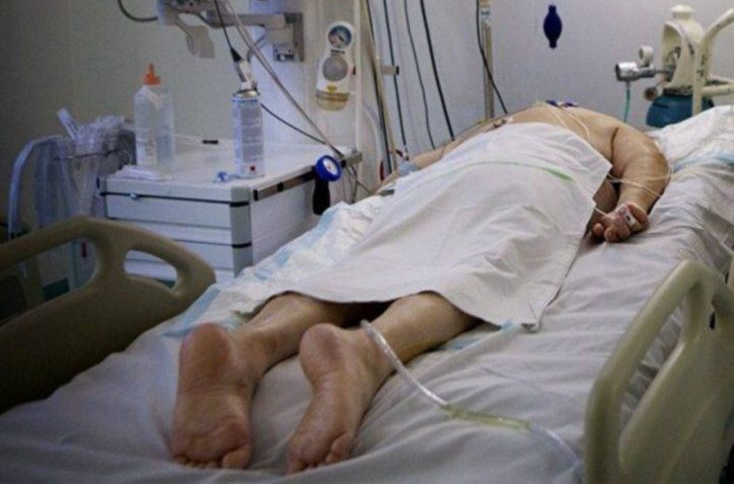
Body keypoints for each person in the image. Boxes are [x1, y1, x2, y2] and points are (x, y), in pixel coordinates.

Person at [170, 103, 669, 473]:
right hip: (541, 174)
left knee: (371, 262)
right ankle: (367, 351)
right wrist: (630, 205)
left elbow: (407, 173)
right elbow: (647, 161)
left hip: (446, 179)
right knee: (479, 267)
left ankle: (248, 346)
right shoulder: (598, 125)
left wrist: (385, 191)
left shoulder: (491, 128)